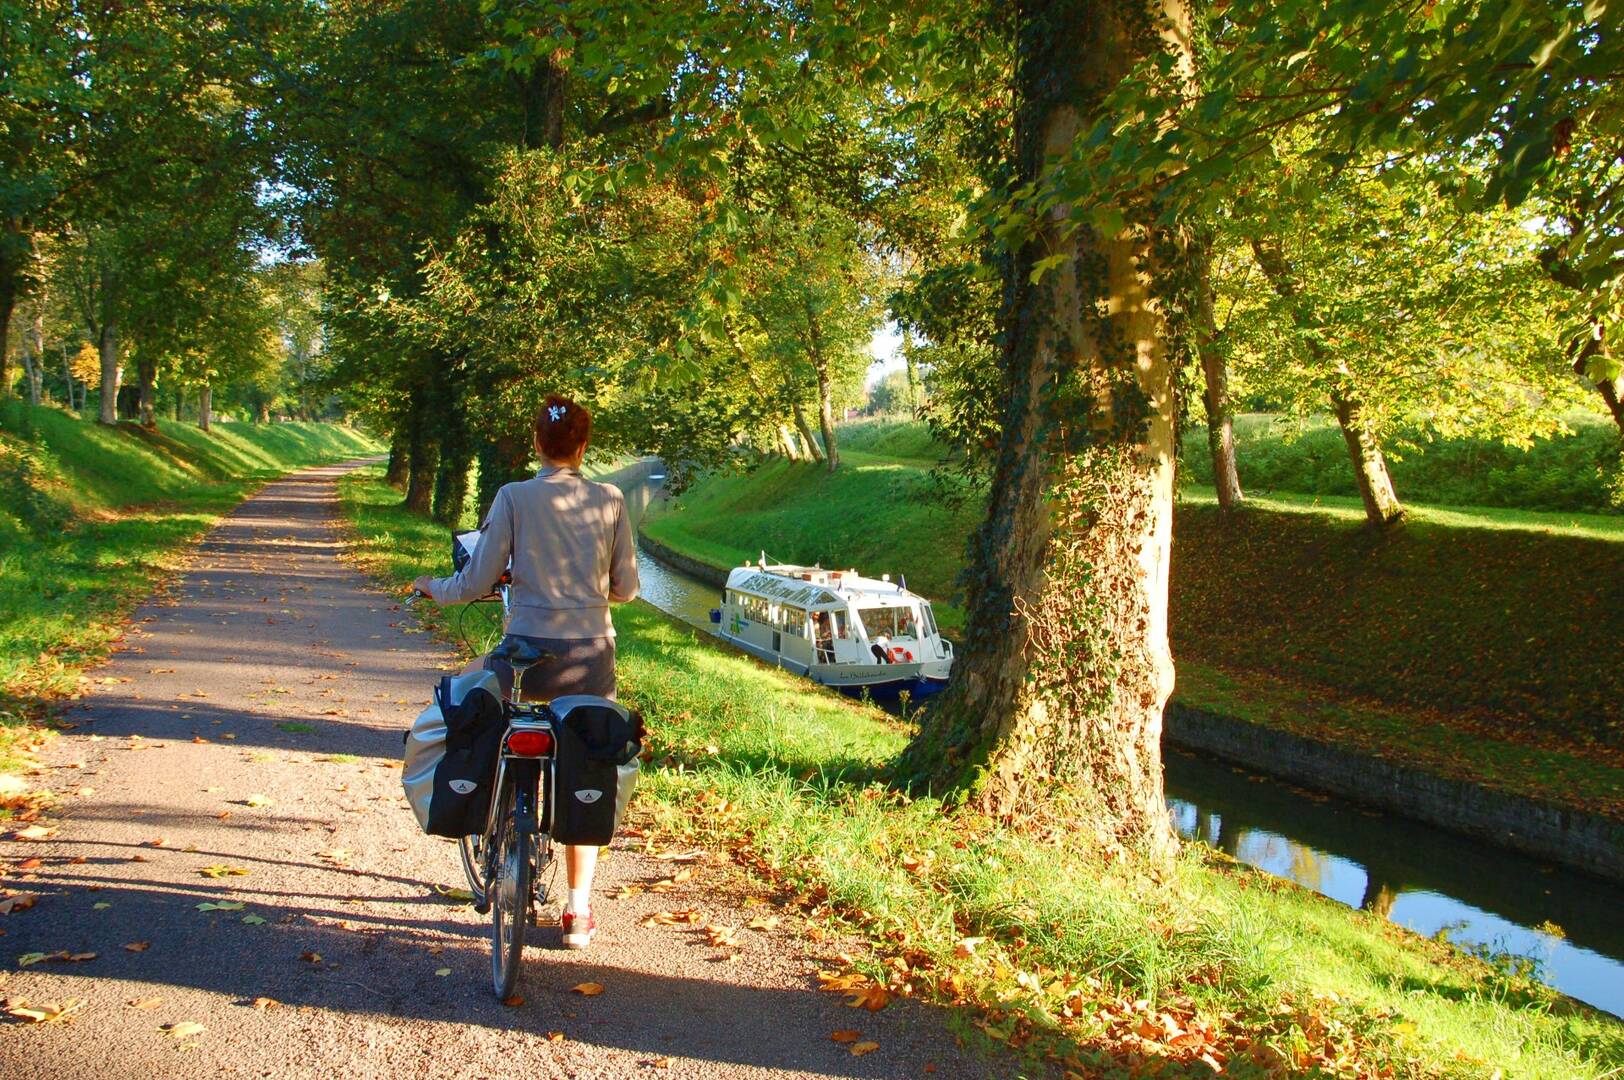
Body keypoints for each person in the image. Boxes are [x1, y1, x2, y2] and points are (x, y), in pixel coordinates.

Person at [414, 394, 639, 950]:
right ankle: (578, 912)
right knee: (584, 755)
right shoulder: (610, 500)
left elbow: (471, 584)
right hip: (590, 658)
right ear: (584, 447)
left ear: (538, 444)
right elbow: (626, 590)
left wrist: (431, 588)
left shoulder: (514, 496)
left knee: (465, 702)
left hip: (527, 658)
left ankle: (486, 814)